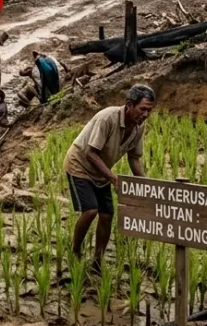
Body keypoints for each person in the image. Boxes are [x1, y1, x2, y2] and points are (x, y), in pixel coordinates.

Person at [65, 84, 155, 266]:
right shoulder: (107, 118)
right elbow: (90, 153)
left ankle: (98, 260)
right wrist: (114, 179)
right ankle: (75, 251)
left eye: (149, 110)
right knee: (91, 210)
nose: (145, 114)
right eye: (142, 109)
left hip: (101, 171)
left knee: (107, 215)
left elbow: (134, 159)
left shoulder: (139, 126)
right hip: (80, 165)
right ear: (129, 105)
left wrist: (147, 186)